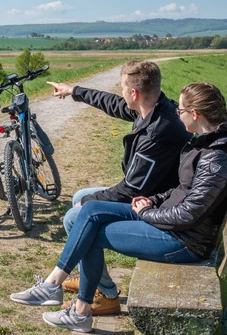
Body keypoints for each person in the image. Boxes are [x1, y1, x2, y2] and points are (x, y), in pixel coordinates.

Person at [10, 82, 227, 332]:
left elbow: (189, 214)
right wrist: (154, 200)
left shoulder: (215, 156)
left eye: (181, 111)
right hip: (169, 221)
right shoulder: (207, 142)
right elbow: (182, 190)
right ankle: (54, 285)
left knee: (92, 232)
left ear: (195, 115)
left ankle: (79, 310)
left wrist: (147, 213)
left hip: (184, 241)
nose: (178, 115)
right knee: (91, 211)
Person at [44, 61, 190, 315]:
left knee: (76, 215)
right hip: (156, 190)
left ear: (134, 93)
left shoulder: (158, 132)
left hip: (157, 202)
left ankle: (106, 293)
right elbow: (112, 103)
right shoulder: (156, 107)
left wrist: (90, 201)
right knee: (80, 198)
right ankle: (92, 278)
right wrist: (73, 90)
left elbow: (130, 190)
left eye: (123, 88)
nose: (121, 93)